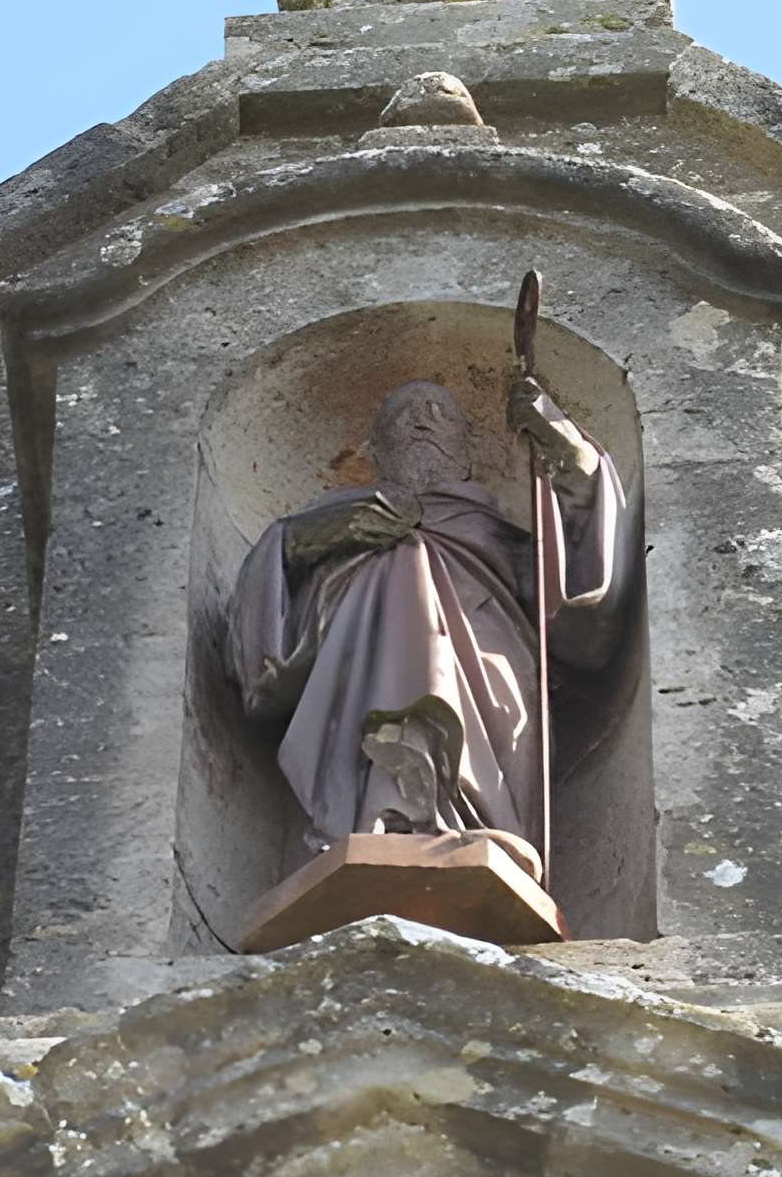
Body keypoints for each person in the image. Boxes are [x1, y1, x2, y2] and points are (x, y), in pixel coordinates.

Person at [223, 375, 626, 887]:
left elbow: (584, 605)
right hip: (356, 671)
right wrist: (306, 540)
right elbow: (256, 647)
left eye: (439, 412)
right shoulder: (326, 526)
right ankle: (370, 821)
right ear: (375, 449)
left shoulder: (499, 533)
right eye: (401, 415)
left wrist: (573, 461)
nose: (419, 420)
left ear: (470, 447)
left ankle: (474, 823)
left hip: (484, 671)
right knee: (402, 567)